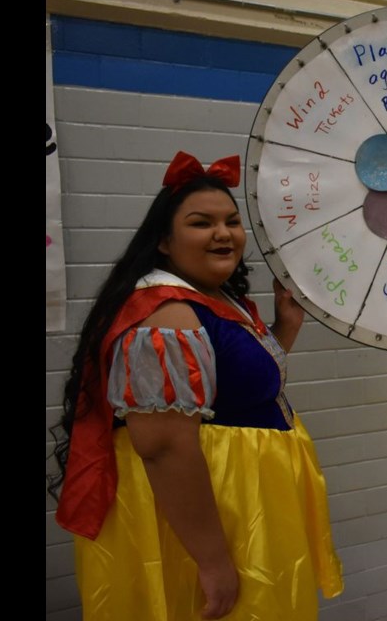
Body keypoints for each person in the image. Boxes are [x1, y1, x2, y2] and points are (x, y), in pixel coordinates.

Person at [46, 151, 344, 620]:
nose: (223, 233)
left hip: (243, 509)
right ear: (164, 241)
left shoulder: (214, 300)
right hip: (202, 522)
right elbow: (163, 446)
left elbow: (243, 391)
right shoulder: (167, 316)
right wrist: (213, 561)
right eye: (201, 223)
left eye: (231, 221)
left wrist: (284, 328)